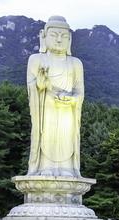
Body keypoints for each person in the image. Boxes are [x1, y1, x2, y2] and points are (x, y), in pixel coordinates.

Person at [26, 16, 84, 177]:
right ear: (43, 36)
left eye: (64, 36)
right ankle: (44, 167)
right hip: (46, 110)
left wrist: (72, 99)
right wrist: (40, 83)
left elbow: (80, 92)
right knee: (46, 135)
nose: (59, 40)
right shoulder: (36, 60)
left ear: (70, 39)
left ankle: (67, 168)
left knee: (66, 137)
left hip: (67, 111)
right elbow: (32, 88)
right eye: (54, 35)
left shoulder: (75, 63)